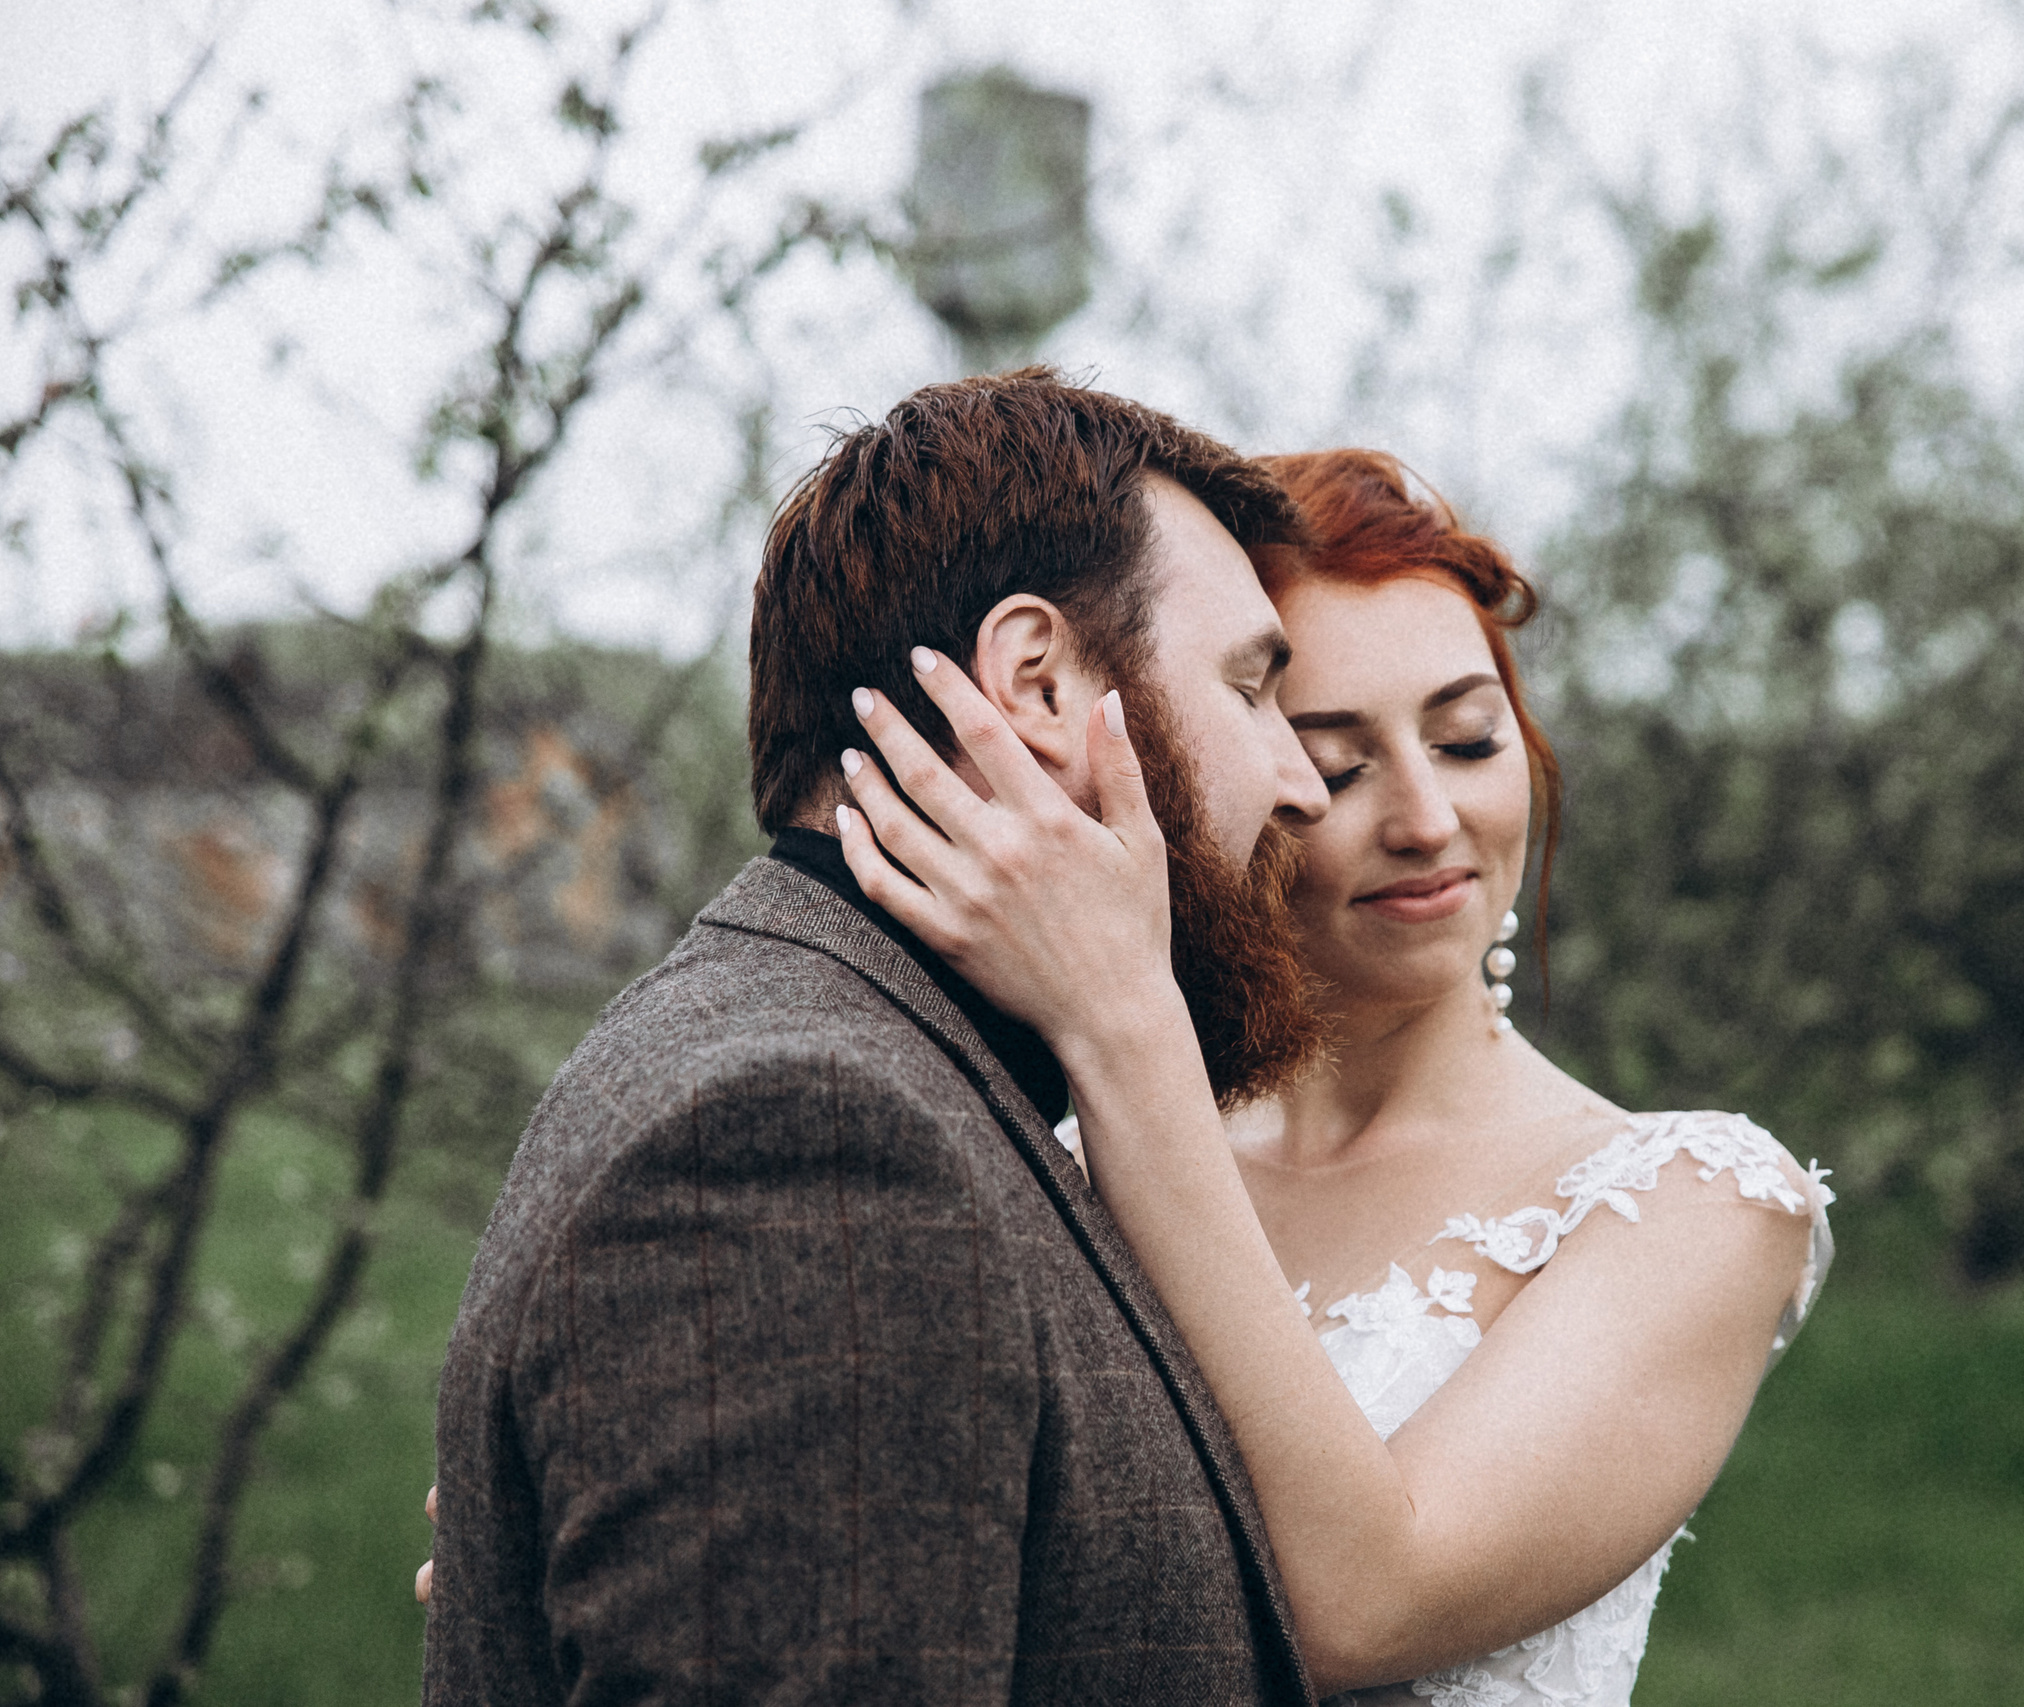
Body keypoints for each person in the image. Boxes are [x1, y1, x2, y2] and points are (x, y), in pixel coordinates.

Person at [830, 447, 1834, 1705]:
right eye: (1338, 762)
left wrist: (1127, 1020)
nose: (1424, 818)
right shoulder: (1078, 1158)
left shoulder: (1693, 1202)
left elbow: (1361, 1608)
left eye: (1469, 740)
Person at [423, 370, 1338, 1705]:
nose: (1300, 779)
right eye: (1252, 687)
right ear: (1036, 678)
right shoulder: (811, 1142)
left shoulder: (854, 1057)